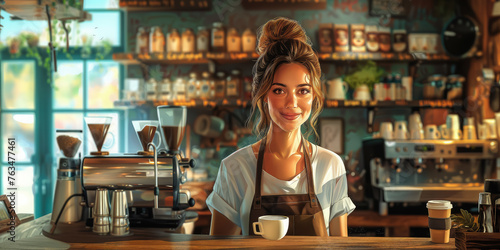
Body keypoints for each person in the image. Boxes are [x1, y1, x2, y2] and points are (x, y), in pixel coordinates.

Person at [206, 17, 355, 236]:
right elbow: (218, 248)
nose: (292, 103)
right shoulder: (235, 168)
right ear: (263, 95)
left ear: (314, 95)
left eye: (303, 90)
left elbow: (339, 245)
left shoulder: (330, 165)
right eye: (279, 90)